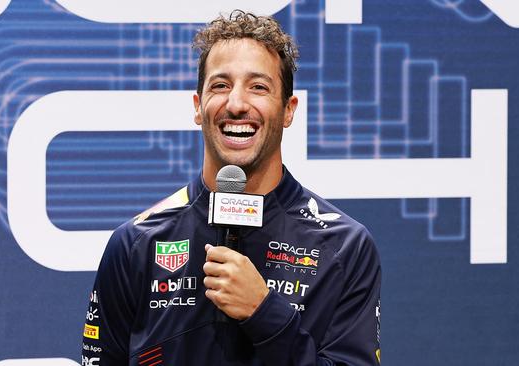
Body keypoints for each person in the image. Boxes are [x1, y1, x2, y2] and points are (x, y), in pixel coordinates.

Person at [82, 10, 381, 366]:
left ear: (288, 110)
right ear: (198, 106)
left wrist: (265, 313)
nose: (237, 105)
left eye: (258, 87)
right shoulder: (135, 244)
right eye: (220, 85)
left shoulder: (345, 248)